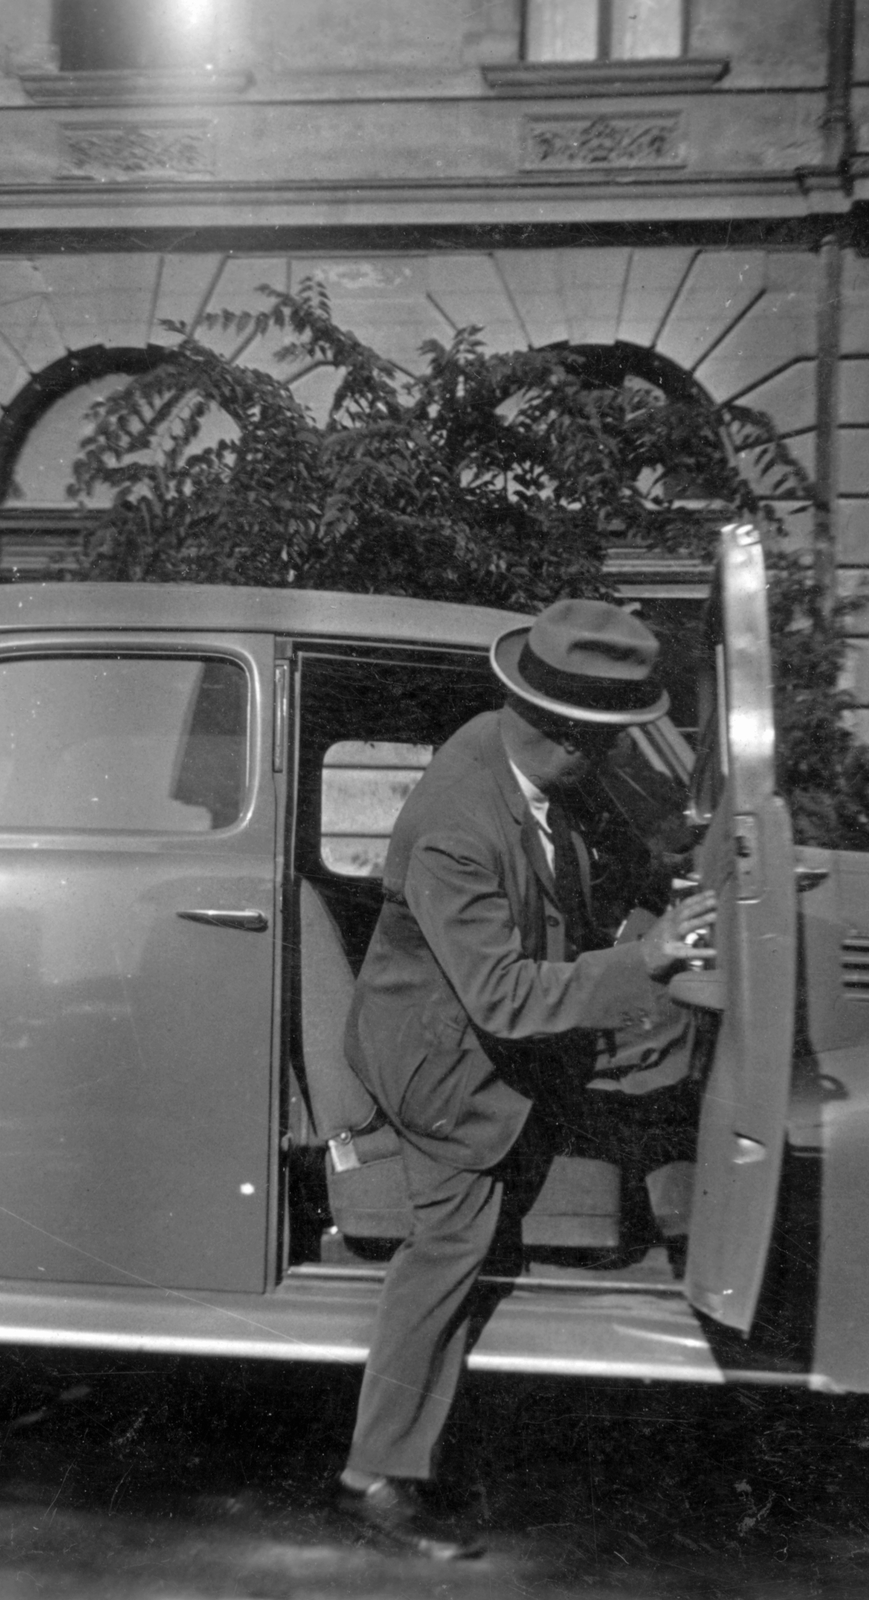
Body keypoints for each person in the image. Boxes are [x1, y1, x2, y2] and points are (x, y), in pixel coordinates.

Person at [334, 597, 717, 1560]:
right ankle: (376, 1473)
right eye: (609, 740)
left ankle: (691, 1245)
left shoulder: (533, 756)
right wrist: (653, 957)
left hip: (495, 1025)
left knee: (663, 1052)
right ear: (563, 733)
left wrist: (671, 882)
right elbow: (502, 998)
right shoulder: (456, 826)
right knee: (451, 1243)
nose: (615, 758)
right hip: (442, 1060)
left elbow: (610, 849)